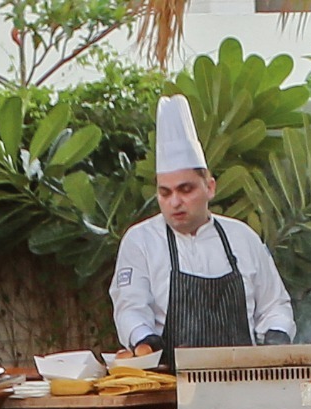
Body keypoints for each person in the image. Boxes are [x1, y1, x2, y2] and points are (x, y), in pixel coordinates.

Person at [110, 94, 295, 366]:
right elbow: (130, 307)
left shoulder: (242, 238)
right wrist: (144, 339)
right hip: (170, 388)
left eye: (186, 189)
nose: (175, 202)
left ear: (210, 187)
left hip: (243, 383)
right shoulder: (140, 241)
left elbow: (274, 305)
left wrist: (277, 334)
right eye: (165, 192)